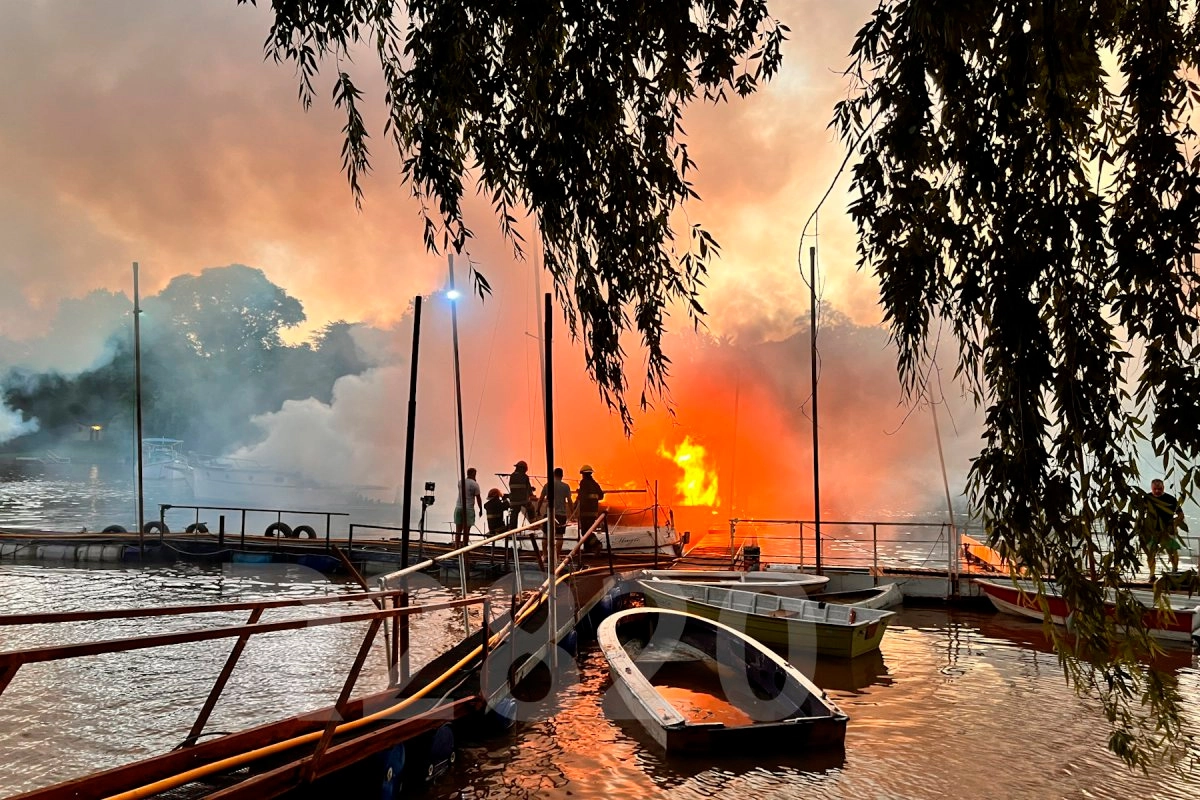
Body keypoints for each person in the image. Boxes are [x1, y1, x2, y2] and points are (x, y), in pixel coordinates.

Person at [1147, 478, 1185, 575]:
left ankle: (1175, 570)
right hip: (1153, 531)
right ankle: (1151, 575)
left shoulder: (1171, 499)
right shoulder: (1147, 498)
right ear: (1151, 488)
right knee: (1151, 553)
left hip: (1168, 531)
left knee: (1172, 551)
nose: (1157, 491)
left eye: (1159, 489)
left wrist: (1174, 524)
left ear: (1163, 487)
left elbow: (1180, 514)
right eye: (1155, 489)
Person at [538, 467, 572, 556]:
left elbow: (541, 499)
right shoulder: (565, 486)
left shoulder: (547, 485)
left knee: (545, 535)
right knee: (559, 536)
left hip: (548, 514)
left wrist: (537, 510)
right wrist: (573, 512)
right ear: (562, 476)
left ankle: (545, 555)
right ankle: (557, 556)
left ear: (553, 475)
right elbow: (569, 500)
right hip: (561, 515)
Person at [576, 464, 606, 550]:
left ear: (583, 474)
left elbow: (583, 497)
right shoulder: (595, 483)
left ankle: (597, 544)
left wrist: (576, 505)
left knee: (585, 532)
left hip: (585, 512)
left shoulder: (583, 482)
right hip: (594, 512)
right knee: (588, 530)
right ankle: (588, 549)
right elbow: (601, 496)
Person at [453, 467, 483, 548]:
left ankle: (456, 546)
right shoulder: (475, 484)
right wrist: (481, 509)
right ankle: (464, 546)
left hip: (458, 507)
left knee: (458, 530)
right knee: (466, 530)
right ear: (473, 474)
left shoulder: (460, 482)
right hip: (469, 509)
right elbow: (478, 498)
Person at [506, 460, 536, 530]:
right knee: (531, 508)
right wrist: (531, 494)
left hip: (513, 500)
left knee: (514, 513)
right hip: (523, 500)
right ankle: (533, 525)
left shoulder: (512, 476)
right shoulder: (525, 476)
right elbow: (528, 488)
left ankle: (512, 529)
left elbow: (517, 487)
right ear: (523, 468)